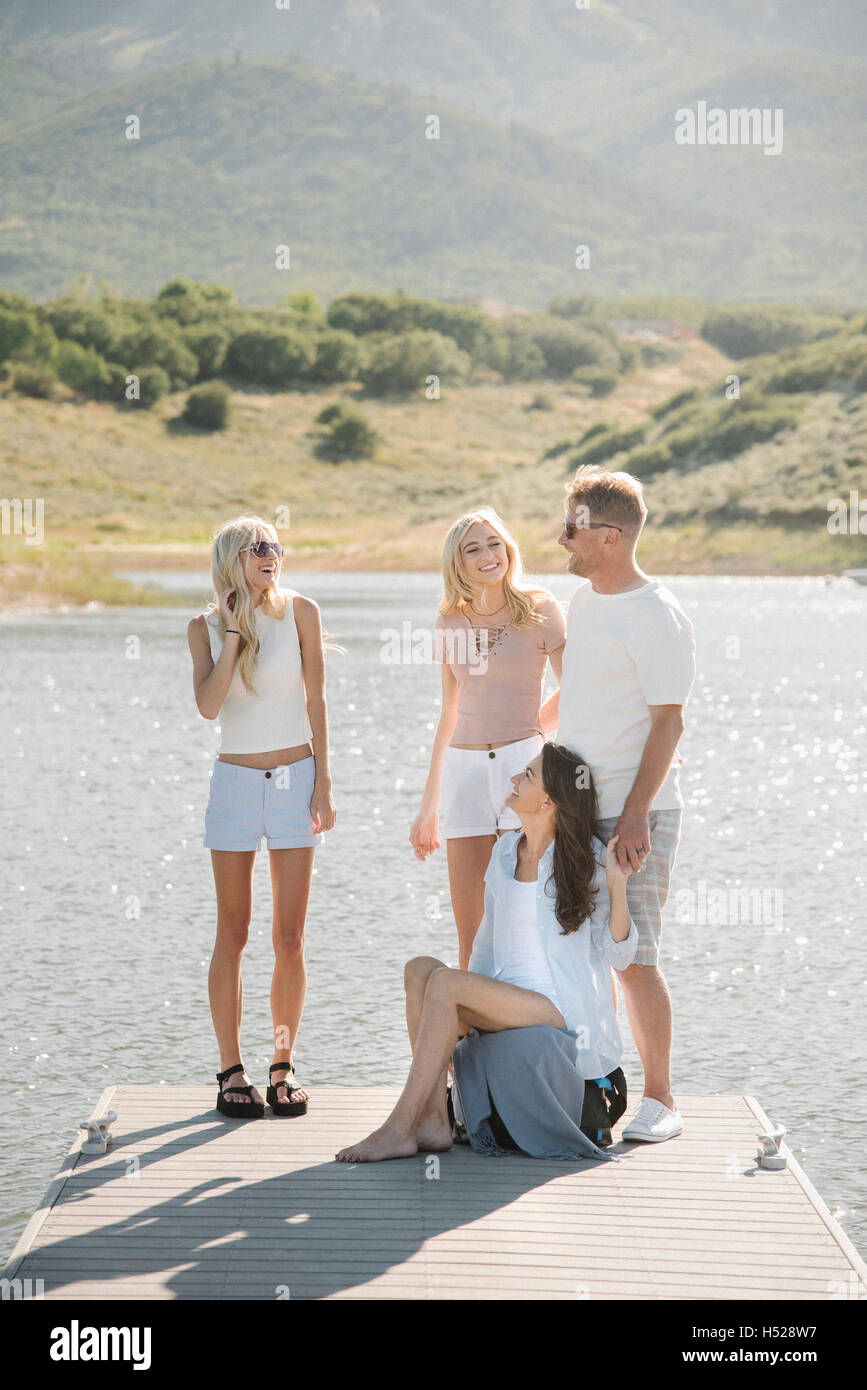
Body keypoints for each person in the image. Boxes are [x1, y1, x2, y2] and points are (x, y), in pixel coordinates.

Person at [336, 743, 637, 1163]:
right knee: (420, 971)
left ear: (549, 800)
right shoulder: (503, 851)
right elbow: (486, 946)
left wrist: (619, 887)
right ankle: (436, 1118)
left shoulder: (586, 859)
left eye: (528, 776)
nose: (515, 779)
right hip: (505, 999)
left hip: (557, 1012)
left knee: (445, 983)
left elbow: (619, 955)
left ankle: (399, 1127)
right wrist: (462, 1003)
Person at [542, 466, 695, 1143]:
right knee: (579, 953)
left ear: (606, 536)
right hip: (573, 808)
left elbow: (668, 723)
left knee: (633, 958)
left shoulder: (656, 615)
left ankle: (662, 1102)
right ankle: (600, 1084)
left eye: (570, 529)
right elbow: (581, 694)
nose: (560, 541)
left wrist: (634, 814)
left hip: (635, 813)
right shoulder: (584, 603)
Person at [187, 516, 337, 1120]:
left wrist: (325, 780)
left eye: (275, 546)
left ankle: (282, 1066)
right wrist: (230, 633)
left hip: (296, 778)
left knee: (290, 935)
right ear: (232, 559)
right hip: (235, 784)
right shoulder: (201, 627)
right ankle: (231, 1071)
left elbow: (316, 699)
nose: (271, 556)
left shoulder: (301, 611)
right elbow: (208, 705)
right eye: (258, 549)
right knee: (234, 932)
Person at [409, 507, 566, 967]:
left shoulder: (541, 610)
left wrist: (530, 729)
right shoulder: (450, 623)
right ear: (458, 563)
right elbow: (450, 714)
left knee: (522, 920)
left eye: (493, 543)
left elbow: (574, 690)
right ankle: (474, 1036)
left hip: (525, 772)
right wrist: (428, 807)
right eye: (472, 549)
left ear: (508, 549)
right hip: (465, 772)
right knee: (472, 932)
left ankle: (527, 1024)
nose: (486, 555)